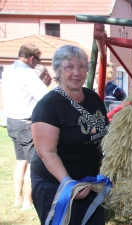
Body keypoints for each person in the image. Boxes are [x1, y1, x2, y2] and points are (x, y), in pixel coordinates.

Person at [30, 45, 109, 224]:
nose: (76, 72)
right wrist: (68, 184)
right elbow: (47, 152)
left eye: (81, 67)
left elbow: (104, 131)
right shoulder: (48, 106)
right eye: (69, 67)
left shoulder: (92, 97)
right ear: (57, 70)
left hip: (90, 183)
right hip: (57, 185)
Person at [1, 44, 48, 210]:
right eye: (37, 60)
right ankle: (28, 201)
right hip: (26, 122)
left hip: (11, 120)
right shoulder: (28, 73)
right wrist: (46, 83)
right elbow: (44, 97)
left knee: (20, 162)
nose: (37, 64)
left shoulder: (8, 70)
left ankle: (17, 198)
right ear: (31, 58)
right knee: (31, 163)